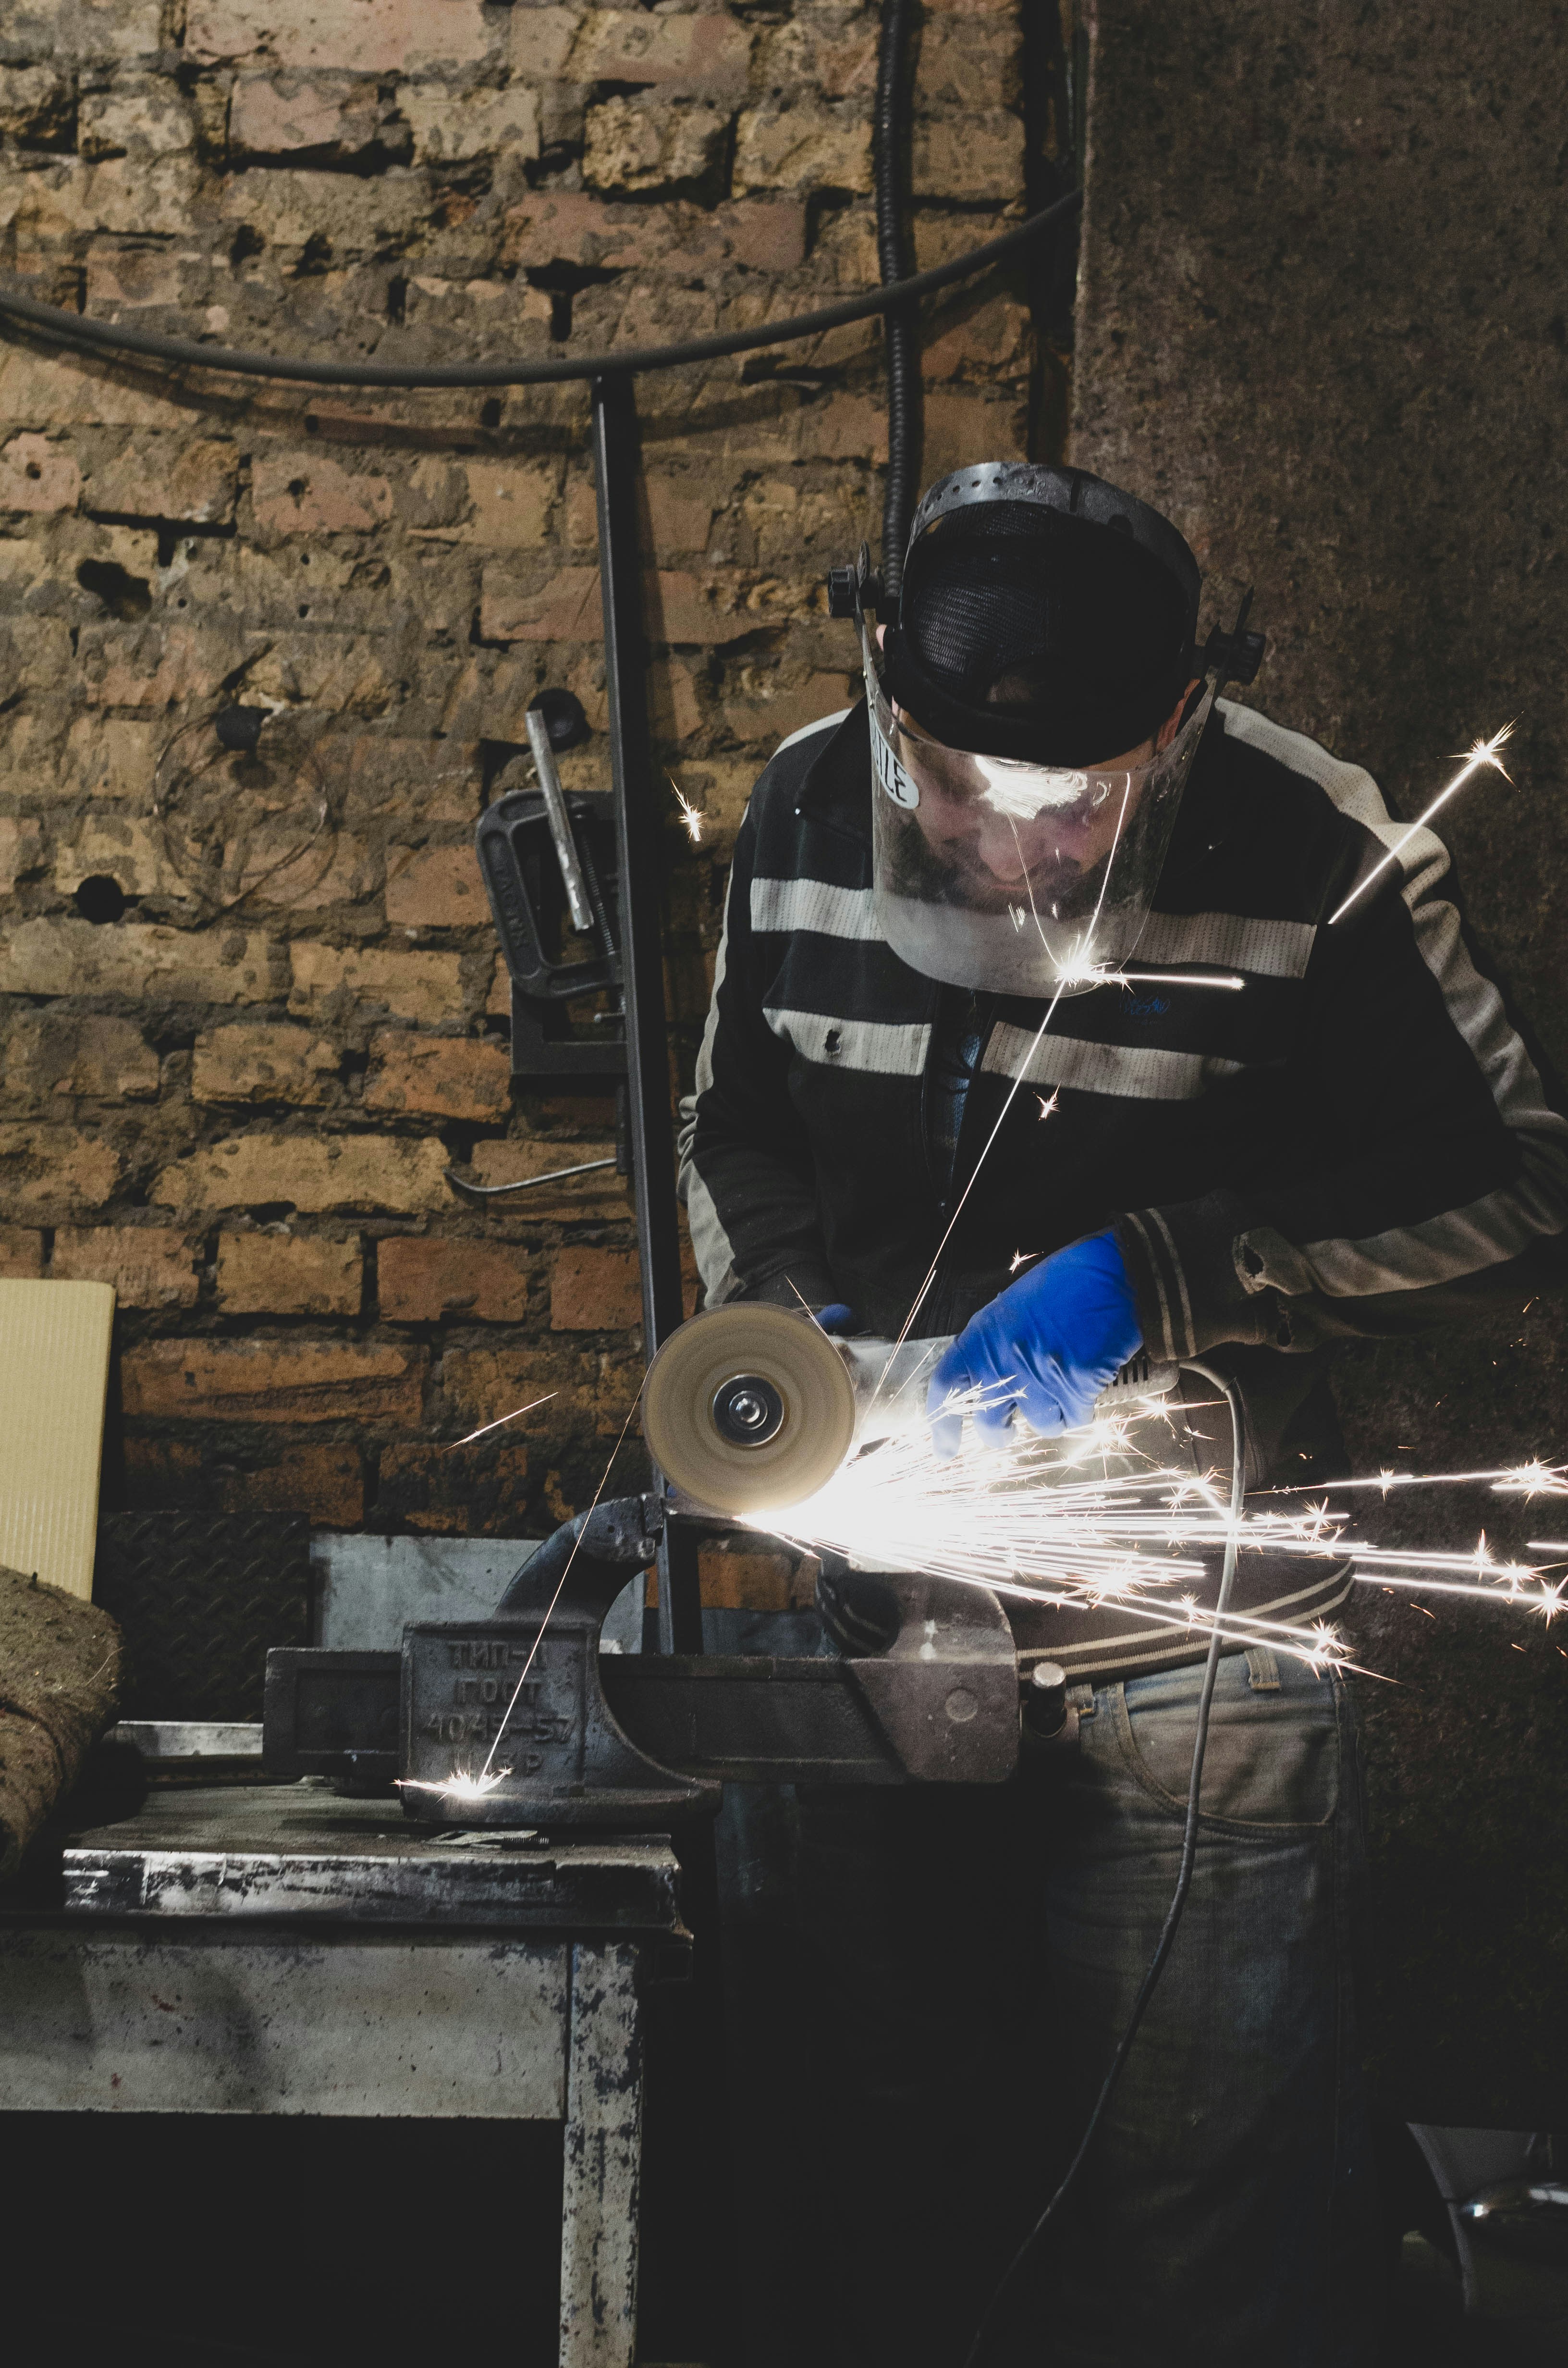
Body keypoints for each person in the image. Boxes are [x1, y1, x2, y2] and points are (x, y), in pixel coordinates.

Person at [676, 462, 1568, 2365]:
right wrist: (774, 1298)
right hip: (880, 1634)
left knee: (1185, 2243)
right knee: (882, 2205)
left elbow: (1529, 1186)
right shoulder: (802, 807)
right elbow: (728, 1120)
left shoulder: (1326, 846)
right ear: (883, 697)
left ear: (1179, 720)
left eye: (1072, 807)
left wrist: (1174, 1271)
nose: (1013, 855)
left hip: (1198, 1665)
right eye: (962, 795)